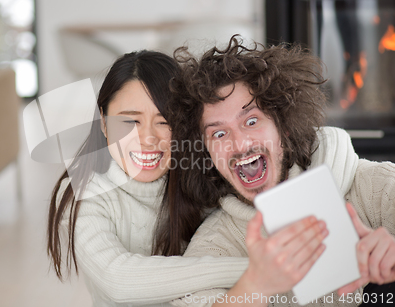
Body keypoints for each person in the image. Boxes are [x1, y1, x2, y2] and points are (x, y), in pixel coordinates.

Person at [164, 36, 395, 306]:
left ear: (283, 127)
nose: (240, 143)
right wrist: (255, 285)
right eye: (219, 133)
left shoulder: (372, 186)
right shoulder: (217, 245)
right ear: (207, 153)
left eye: (251, 121)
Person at [47, 50, 259, 307]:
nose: (147, 138)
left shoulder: (200, 176)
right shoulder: (83, 192)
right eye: (129, 120)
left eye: (164, 121)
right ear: (103, 121)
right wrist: (259, 270)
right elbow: (118, 281)